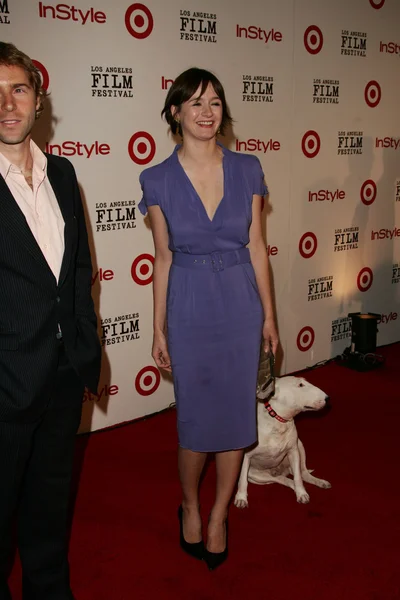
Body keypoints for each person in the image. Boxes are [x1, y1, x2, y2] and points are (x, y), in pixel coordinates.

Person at [139, 67, 278, 570]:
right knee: (196, 418)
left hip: (241, 301)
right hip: (191, 303)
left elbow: (259, 248)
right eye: (194, 102)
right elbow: (163, 258)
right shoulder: (156, 178)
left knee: (236, 415)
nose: (206, 112)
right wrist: (158, 327)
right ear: (175, 112)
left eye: (215, 102)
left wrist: (269, 318)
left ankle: (219, 513)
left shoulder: (249, 167)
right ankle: (191, 505)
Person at [0, 42, 101, 599]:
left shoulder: (63, 173)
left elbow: (78, 266)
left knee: (47, 517)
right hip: (4, 388)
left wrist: (82, 339)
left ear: (38, 101)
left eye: (18, 89)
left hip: (62, 377)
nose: (6, 104)